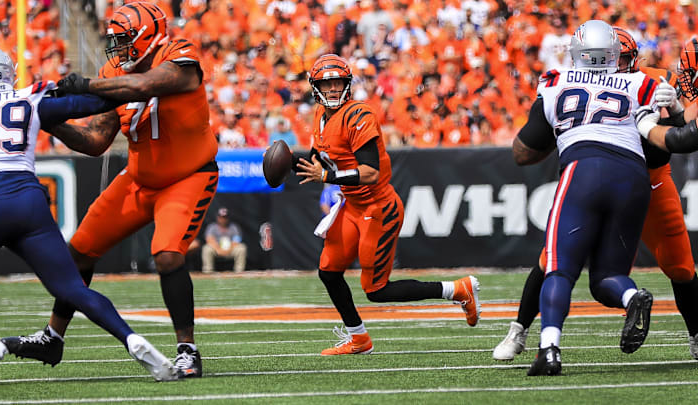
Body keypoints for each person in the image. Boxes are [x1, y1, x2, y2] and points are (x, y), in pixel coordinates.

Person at [2, 2, 218, 379]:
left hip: (187, 176)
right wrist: (48, 120)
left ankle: (188, 350)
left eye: (124, 39)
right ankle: (53, 337)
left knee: (167, 255)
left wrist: (86, 85)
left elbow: (145, 85)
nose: (117, 48)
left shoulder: (179, 56)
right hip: (138, 179)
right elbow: (96, 141)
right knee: (78, 251)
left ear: (147, 36)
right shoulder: (115, 71)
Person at [493, 27, 698, 362]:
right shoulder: (591, 81)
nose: (618, 65)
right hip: (623, 177)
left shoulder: (651, 81)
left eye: (626, 60)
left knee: (680, 266)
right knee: (550, 261)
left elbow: (665, 151)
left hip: (651, 181)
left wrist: (672, 111)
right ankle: (519, 331)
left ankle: (696, 334)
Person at [0, 46, 176, 383]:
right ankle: (133, 340)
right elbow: (92, 104)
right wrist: (125, 87)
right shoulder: (31, 98)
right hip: (29, 203)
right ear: (8, 72)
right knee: (72, 288)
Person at [290, 54, 480, 355]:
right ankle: (359, 339)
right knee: (328, 270)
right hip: (351, 205)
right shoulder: (320, 115)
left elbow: (370, 172)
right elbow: (319, 155)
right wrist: (287, 162)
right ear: (315, 88)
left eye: (338, 82)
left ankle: (456, 290)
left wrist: (326, 175)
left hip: (378, 207)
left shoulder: (358, 115)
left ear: (347, 84)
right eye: (327, 84)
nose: (333, 89)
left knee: (376, 290)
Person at [201, 207, 248, 273]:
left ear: (228, 218)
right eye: (221, 217)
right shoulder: (212, 227)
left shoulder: (234, 227)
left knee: (242, 248)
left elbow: (236, 241)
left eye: (225, 217)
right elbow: (209, 239)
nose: (223, 219)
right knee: (206, 248)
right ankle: (208, 271)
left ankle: (239, 271)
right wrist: (218, 249)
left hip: (230, 249)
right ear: (217, 217)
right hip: (216, 249)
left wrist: (229, 250)